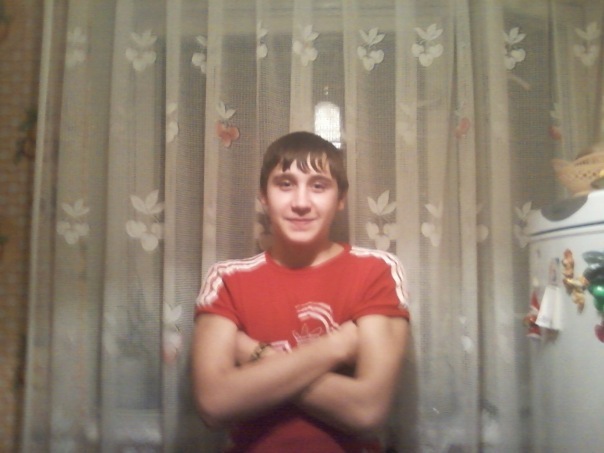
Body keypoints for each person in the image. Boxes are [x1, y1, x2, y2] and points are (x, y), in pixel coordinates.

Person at [192, 131, 410, 452]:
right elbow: (213, 404)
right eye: (285, 184)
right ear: (264, 197)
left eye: (318, 186)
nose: (301, 203)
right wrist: (336, 346)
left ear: (340, 199)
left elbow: (367, 411)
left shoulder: (376, 270)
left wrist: (254, 354)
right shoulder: (226, 279)